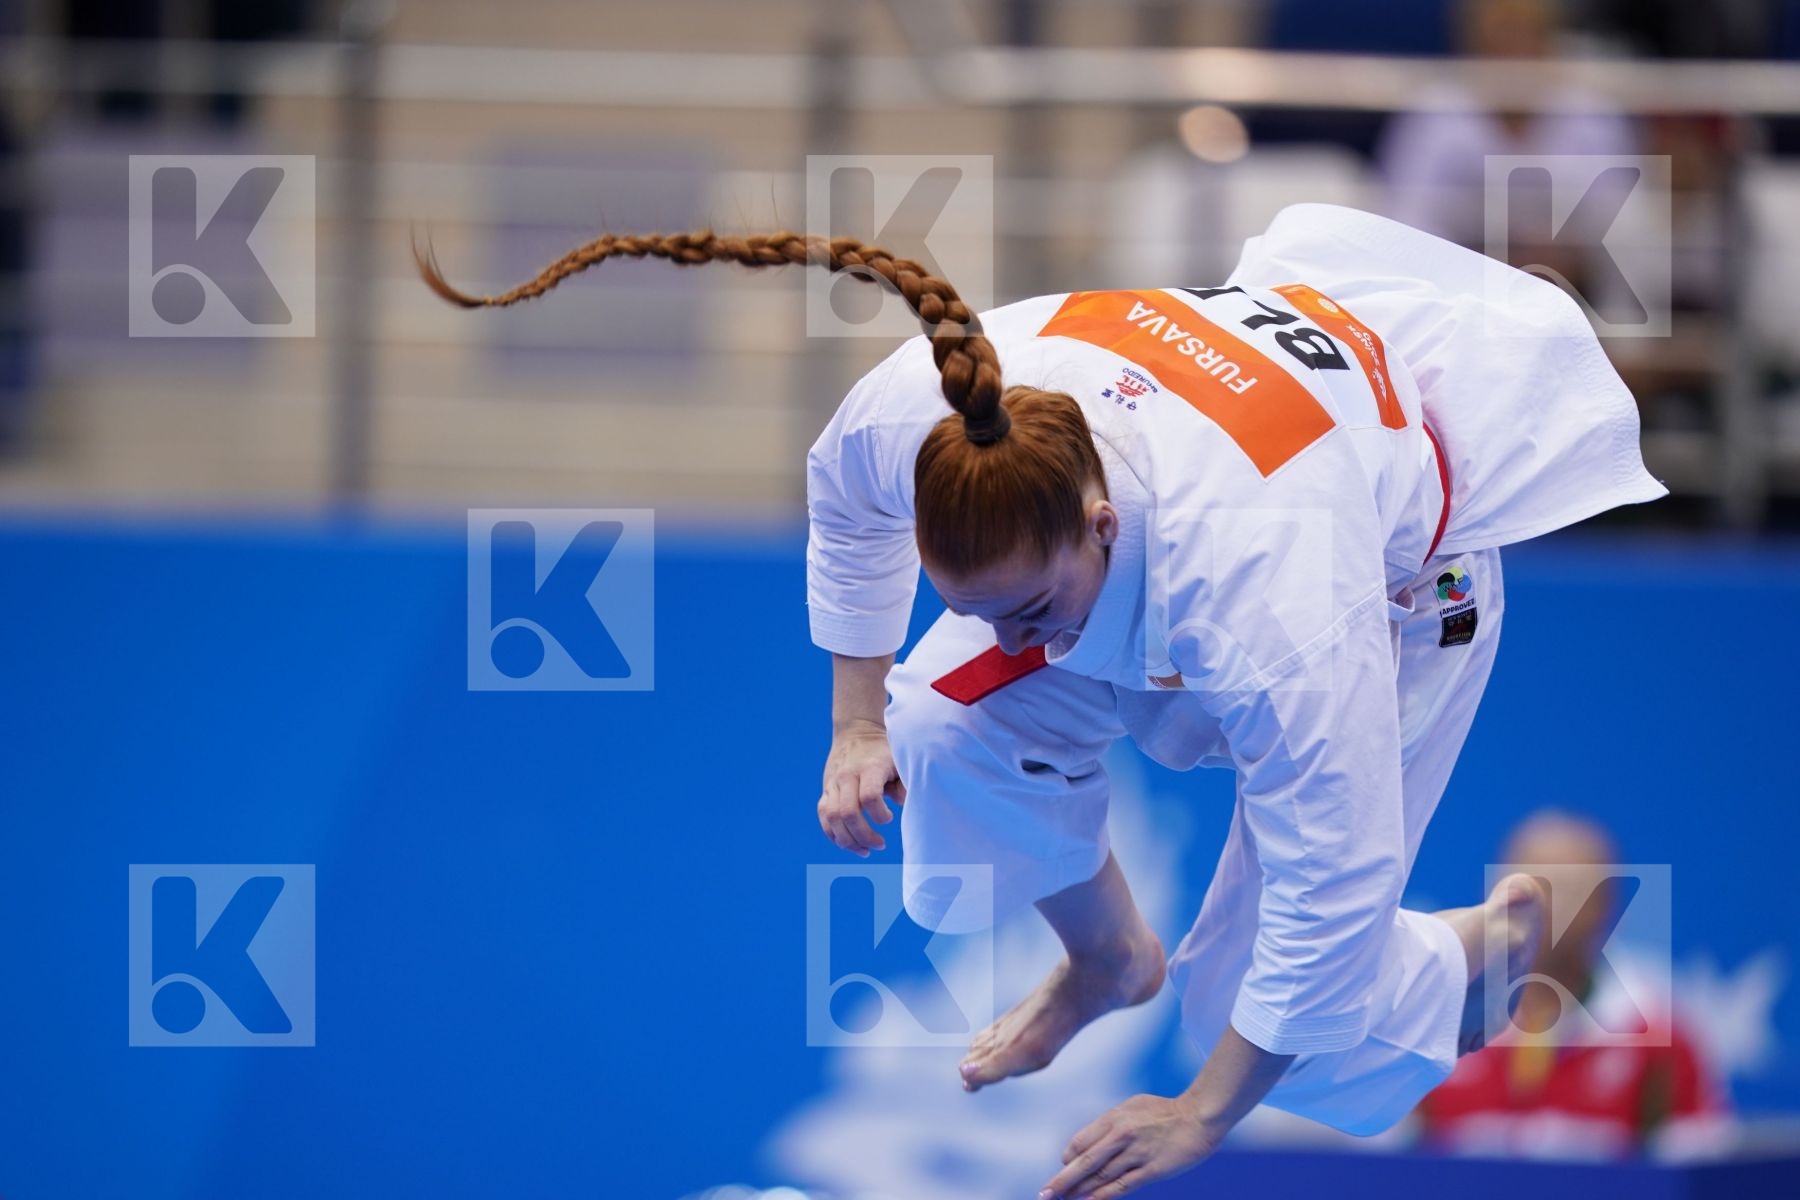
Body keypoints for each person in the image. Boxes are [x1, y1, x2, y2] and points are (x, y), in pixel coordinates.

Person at [417, 202, 1667, 1198]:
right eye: (978, 602)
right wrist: (854, 721)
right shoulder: (932, 411)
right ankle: (1108, 956)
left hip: (1399, 590)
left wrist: (1197, 1117)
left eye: (1030, 606)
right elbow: (847, 519)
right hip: (1221, 512)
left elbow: (1331, 892)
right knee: (938, 715)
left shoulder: (1272, 591)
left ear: (1100, 521)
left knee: (1270, 1015)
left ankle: (1499, 950)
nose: (1012, 641)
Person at [1417, 810, 1735, 1161]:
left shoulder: (1660, 1037)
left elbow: (1698, 1176)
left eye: (1568, 887)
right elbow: (1383, 1166)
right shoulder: (1436, 1016)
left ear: (1607, 905)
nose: (1543, 905)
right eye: (1526, 886)